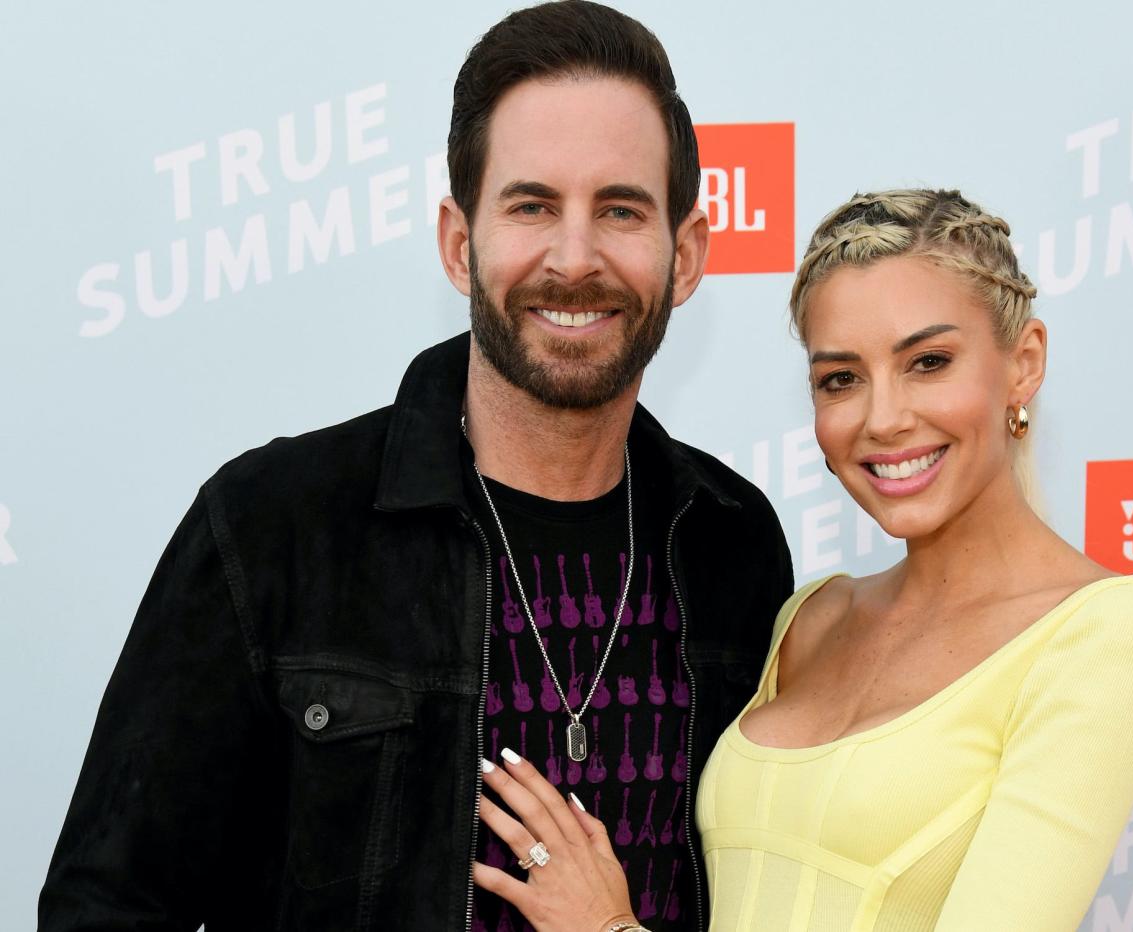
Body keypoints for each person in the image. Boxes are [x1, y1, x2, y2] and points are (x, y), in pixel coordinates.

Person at [36, 3, 793, 930]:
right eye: (531, 205)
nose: (574, 256)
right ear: (457, 240)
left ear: (684, 256)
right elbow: (107, 906)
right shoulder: (276, 527)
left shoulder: (732, 543)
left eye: (621, 210)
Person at [473, 189, 1133, 931]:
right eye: (841, 379)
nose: (883, 419)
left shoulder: (1107, 630)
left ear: (1024, 363)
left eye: (929, 361)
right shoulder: (810, 617)